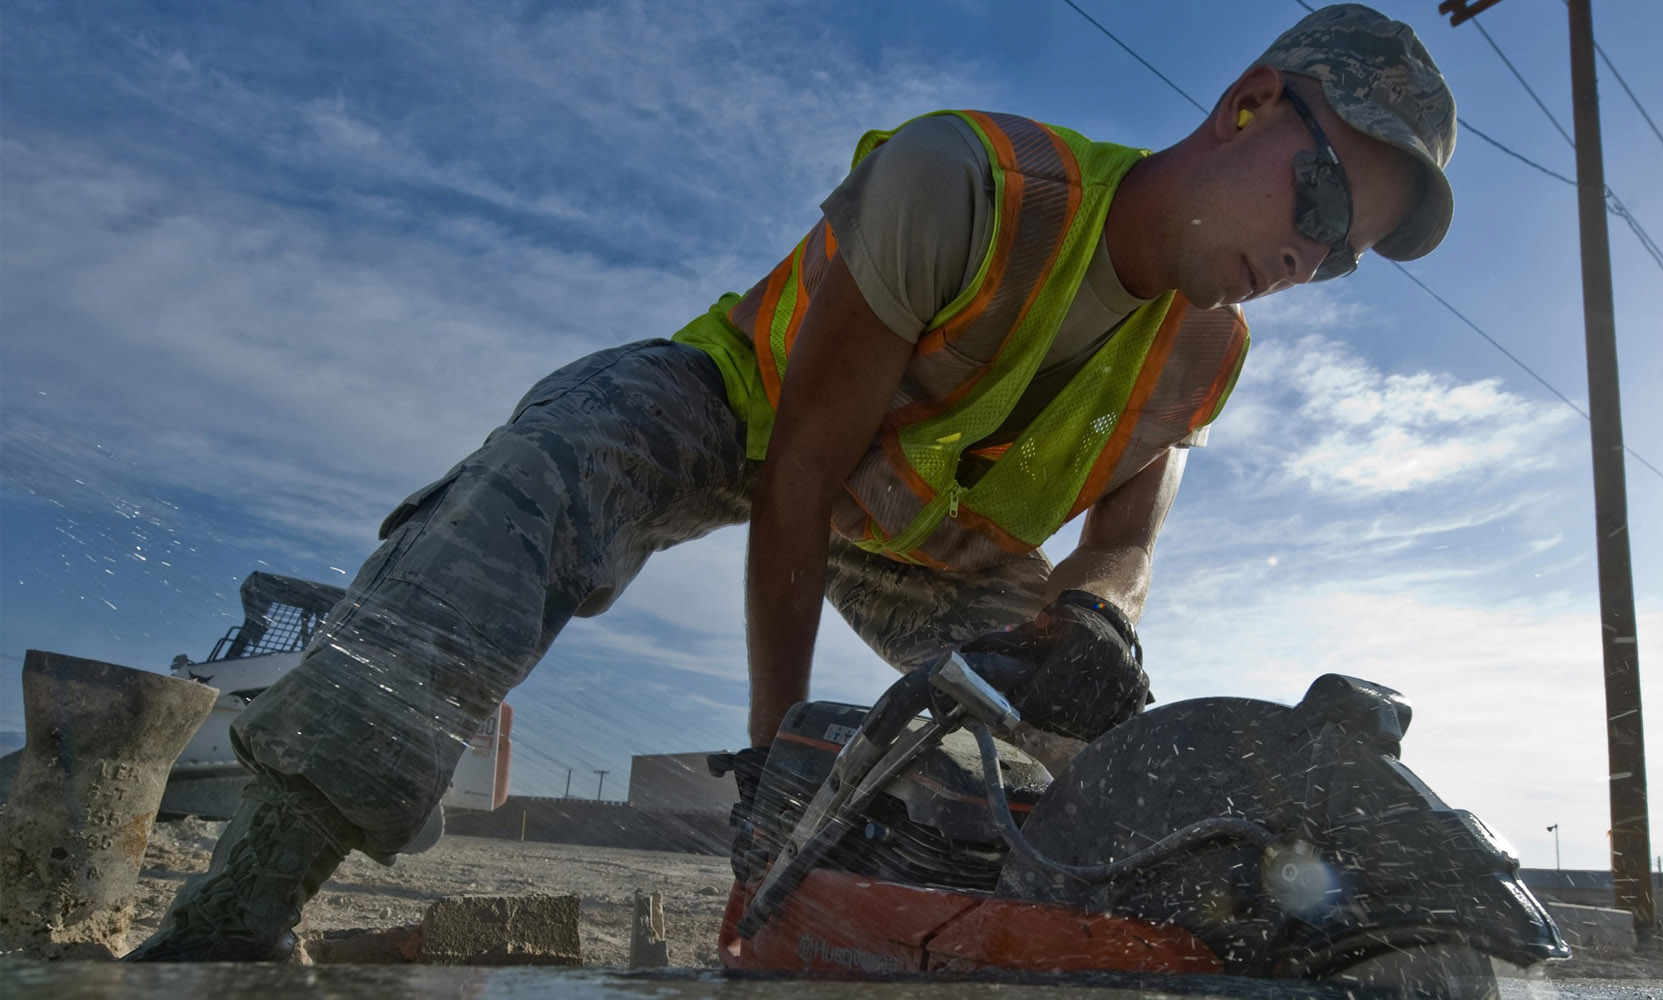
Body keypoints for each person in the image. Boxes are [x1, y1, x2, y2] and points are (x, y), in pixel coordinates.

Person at [127, 3, 1457, 962]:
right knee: (543, 478)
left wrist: (1098, 617)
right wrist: (773, 761)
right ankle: (240, 904)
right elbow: (802, 471)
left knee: (1102, 739)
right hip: (744, 417)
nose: (1306, 262)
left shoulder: (1208, 347)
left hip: (930, 536)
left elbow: (1125, 534)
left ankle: (1068, 950)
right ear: (1244, 107)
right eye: (1321, 210)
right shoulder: (969, 183)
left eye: (1339, 261)